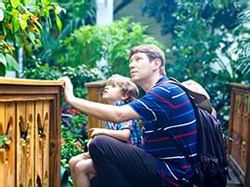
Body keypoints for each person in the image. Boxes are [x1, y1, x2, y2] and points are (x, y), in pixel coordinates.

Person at [60, 44, 198, 187]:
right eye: (131, 61)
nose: (132, 65)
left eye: (138, 59)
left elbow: (119, 114)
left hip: (173, 175)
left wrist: (71, 98)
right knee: (86, 168)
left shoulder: (165, 91)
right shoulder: (158, 92)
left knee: (100, 143)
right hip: (160, 167)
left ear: (156, 63)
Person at [68, 74, 142, 187]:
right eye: (107, 85)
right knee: (73, 161)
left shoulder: (125, 110)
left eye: (112, 86)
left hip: (128, 159)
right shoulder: (112, 112)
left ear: (125, 95)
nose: (106, 87)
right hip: (115, 154)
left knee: (80, 167)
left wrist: (101, 131)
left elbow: (125, 135)